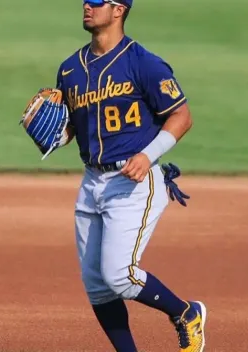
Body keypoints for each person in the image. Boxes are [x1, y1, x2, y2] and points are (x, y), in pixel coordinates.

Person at [54, 0, 207, 351]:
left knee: (119, 276)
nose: (86, 6)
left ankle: (186, 313)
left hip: (134, 181)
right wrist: (54, 134)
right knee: (96, 284)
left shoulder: (144, 64)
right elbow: (72, 130)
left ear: (118, 9)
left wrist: (147, 154)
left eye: (96, 2)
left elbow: (181, 117)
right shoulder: (68, 70)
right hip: (92, 183)